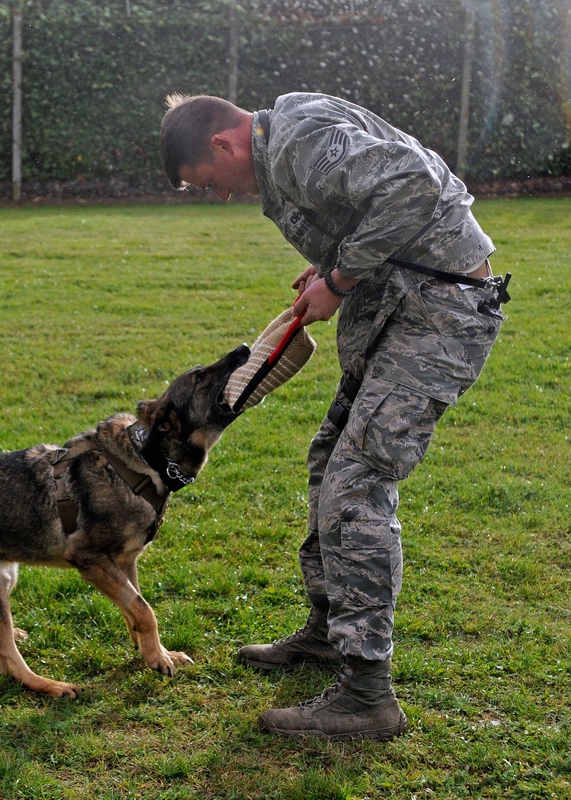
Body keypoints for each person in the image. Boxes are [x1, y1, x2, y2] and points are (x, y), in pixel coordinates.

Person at [160, 92, 507, 741]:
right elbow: (379, 196)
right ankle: (327, 633)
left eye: (210, 184)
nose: (222, 196)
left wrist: (341, 278)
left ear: (223, 146)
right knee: (331, 461)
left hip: (436, 316)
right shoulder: (289, 141)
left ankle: (368, 694)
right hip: (403, 305)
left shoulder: (295, 142)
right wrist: (334, 263)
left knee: (358, 482)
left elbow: (415, 183)